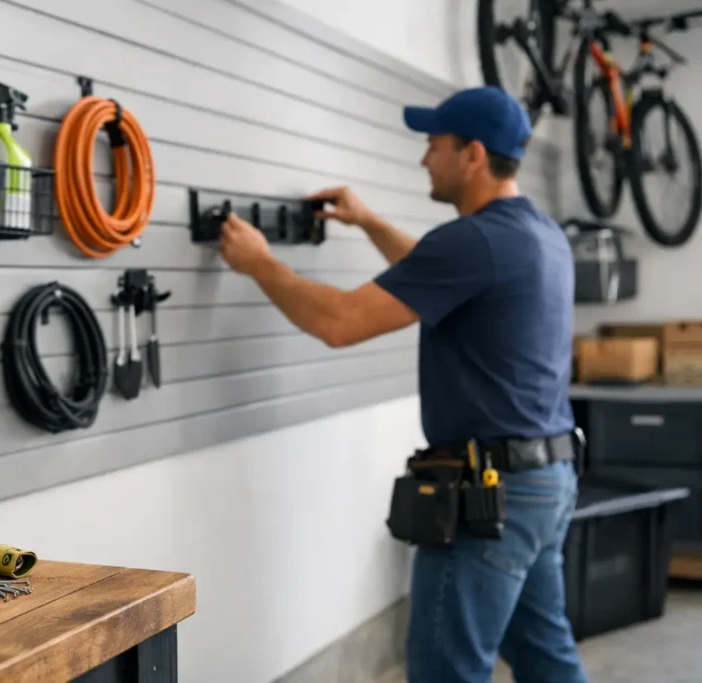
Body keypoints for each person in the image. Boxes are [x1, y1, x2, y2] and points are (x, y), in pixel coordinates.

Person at [218, 86, 589, 683]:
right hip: (546, 482)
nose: (423, 160)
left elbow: (337, 323)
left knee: (445, 671)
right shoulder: (537, 234)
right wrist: (367, 221)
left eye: (432, 145)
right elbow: (446, 274)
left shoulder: (474, 241)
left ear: (472, 155)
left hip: (492, 496)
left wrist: (259, 261)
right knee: (548, 659)